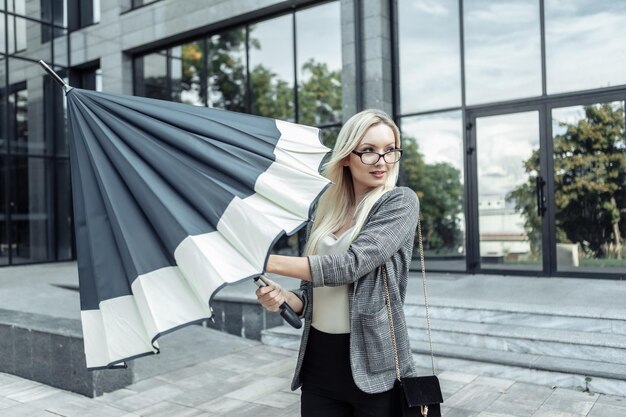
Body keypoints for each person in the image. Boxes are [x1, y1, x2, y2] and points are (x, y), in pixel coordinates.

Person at [256, 109, 419, 417]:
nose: (381, 161)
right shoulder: (324, 214)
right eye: (368, 150)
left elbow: (350, 265)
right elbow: (310, 296)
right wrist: (283, 298)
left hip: (373, 365)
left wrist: (264, 261)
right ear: (346, 156)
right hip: (319, 364)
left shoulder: (399, 202)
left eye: (389, 150)